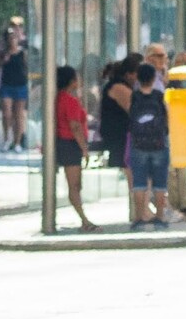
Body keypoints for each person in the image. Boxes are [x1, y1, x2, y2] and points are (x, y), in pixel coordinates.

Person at [51, 64, 98, 232]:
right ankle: (84, 220)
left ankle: (83, 219)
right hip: (70, 143)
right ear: (71, 81)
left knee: (75, 184)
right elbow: (75, 126)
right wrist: (84, 148)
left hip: (65, 142)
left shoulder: (59, 98)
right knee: (75, 185)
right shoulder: (69, 100)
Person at [126, 63, 173, 228]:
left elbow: (130, 118)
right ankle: (160, 217)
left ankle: (139, 218)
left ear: (138, 78)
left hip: (138, 144)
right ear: (153, 79)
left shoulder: (134, 96)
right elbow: (167, 117)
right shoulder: (159, 96)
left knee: (139, 183)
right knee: (160, 184)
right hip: (159, 144)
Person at [97, 56, 137, 221]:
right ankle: (140, 211)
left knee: (135, 174)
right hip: (121, 136)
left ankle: (140, 211)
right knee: (134, 175)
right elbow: (135, 110)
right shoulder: (119, 87)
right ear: (129, 74)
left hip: (124, 135)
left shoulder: (122, 86)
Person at [0, 18, 30, 152]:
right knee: (6, 114)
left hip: (20, 85)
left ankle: (17, 142)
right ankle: (6, 139)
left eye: (14, 38)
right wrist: (3, 60)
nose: (12, 40)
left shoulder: (23, 52)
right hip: (7, 85)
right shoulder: (2, 53)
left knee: (19, 115)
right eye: (10, 38)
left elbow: (27, 67)